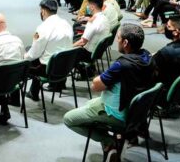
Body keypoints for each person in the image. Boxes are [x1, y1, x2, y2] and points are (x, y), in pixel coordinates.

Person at [64, 24, 155, 161]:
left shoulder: (121, 65)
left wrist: (98, 78)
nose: (116, 41)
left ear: (125, 42)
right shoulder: (147, 56)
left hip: (116, 113)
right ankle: (118, 139)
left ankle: (109, 142)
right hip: (136, 114)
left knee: (69, 119)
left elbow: (96, 86)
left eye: (118, 38)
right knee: (89, 105)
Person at [25, 0, 73, 100]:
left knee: (25, 60)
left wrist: (23, 57)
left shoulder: (43, 28)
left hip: (49, 69)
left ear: (43, 11)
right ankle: (57, 85)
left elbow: (34, 54)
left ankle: (31, 93)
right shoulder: (66, 23)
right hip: (65, 66)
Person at [153, 15, 180, 93]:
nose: (165, 28)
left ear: (176, 32)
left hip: (161, 92)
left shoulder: (167, 52)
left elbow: (149, 68)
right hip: (178, 91)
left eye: (168, 26)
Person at [73, 0, 110, 79]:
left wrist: (69, 47)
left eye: (88, 5)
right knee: (75, 39)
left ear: (92, 6)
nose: (87, 7)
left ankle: (84, 72)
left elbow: (83, 42)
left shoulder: (93, 22)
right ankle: (88, 69)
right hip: (96, 50)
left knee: (66, 52)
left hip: (88, 53)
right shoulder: (103, 18)